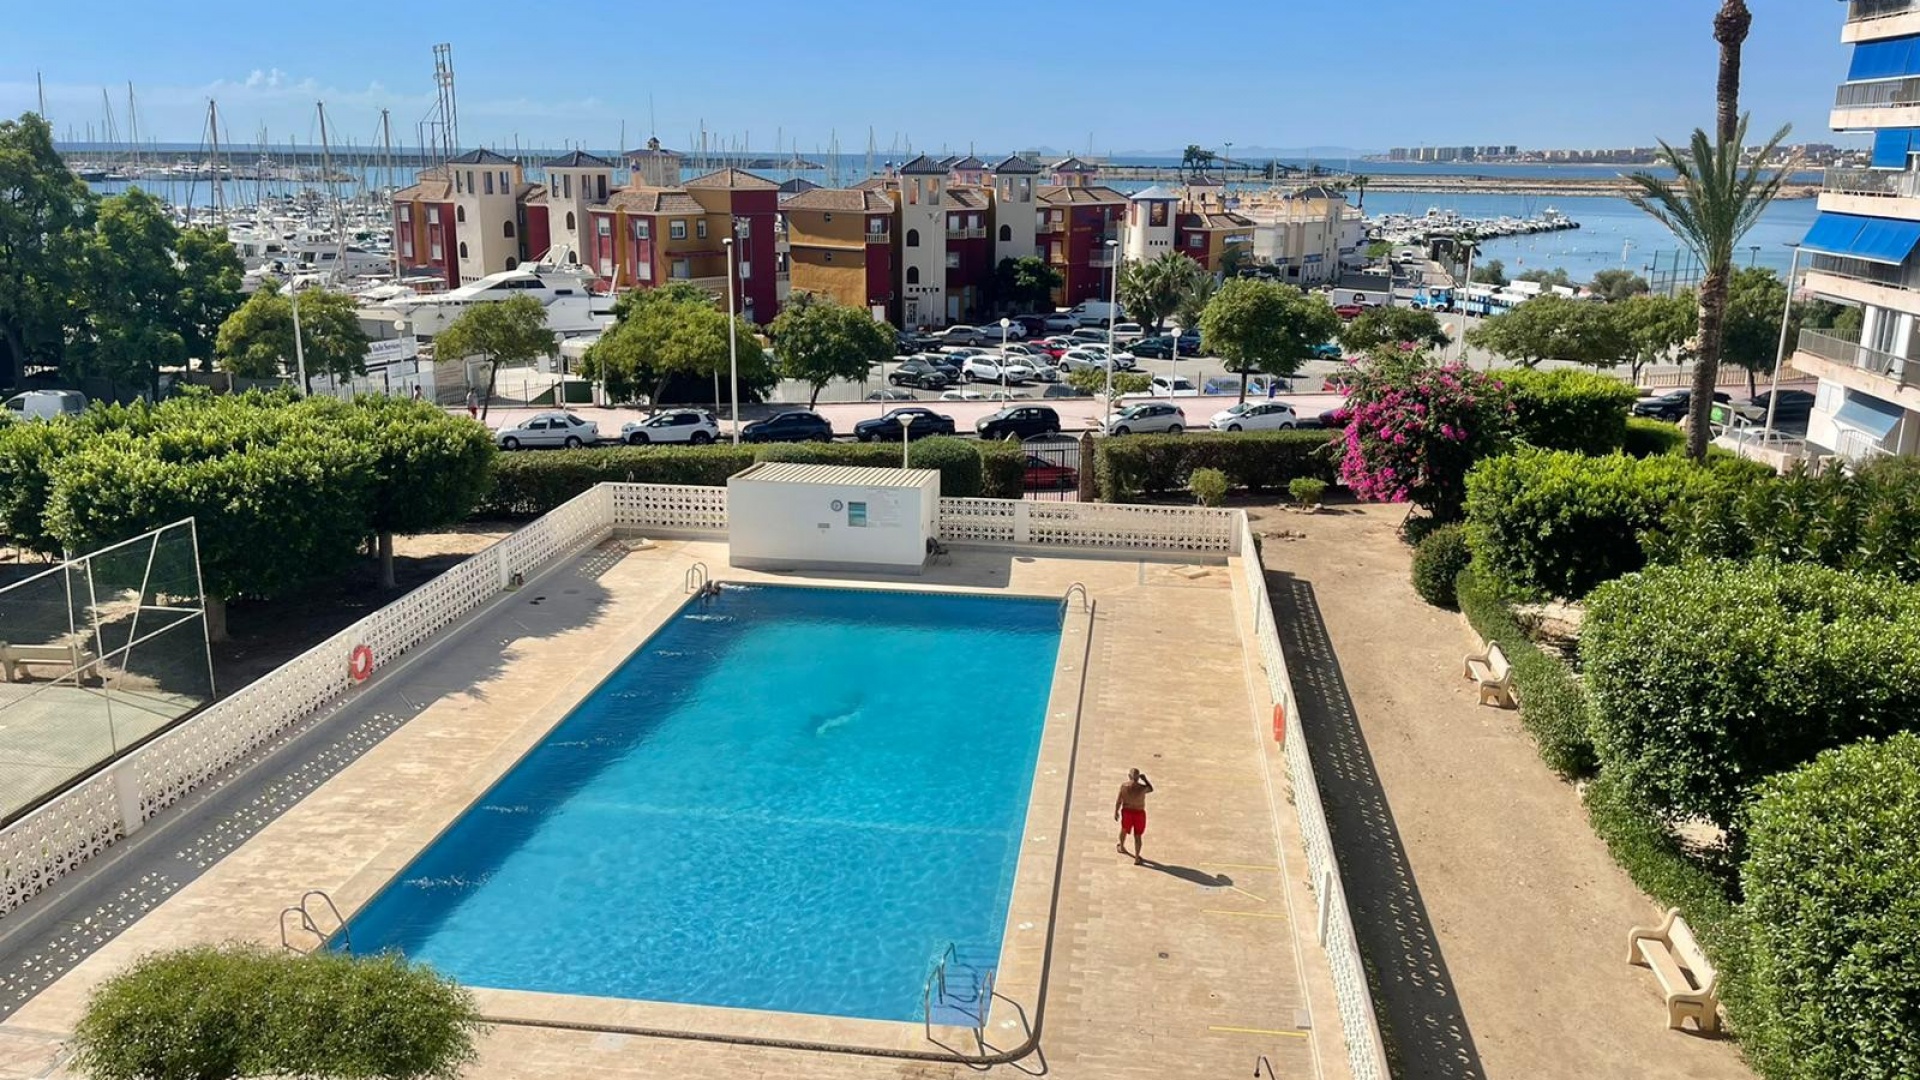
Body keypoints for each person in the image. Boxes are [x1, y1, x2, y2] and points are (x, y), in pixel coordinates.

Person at [1114, 768, 1154, 865]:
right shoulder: (1142, 788)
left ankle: (1122, 847)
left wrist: (1116, 811)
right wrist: (1145, 779)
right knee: (1138, 836)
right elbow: (1151, 789)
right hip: (1139, 813)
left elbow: (1119, 800)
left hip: (1127, 812)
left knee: (1123, 829)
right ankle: (1136, 857)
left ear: (1129, 776)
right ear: (1138, 777)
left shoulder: (1124, 786)